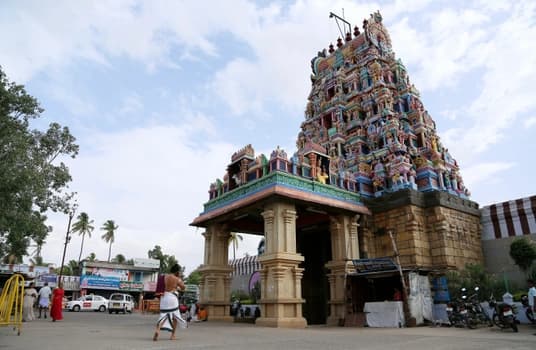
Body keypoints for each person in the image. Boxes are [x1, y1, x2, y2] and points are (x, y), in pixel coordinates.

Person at [153, 264, 186, 341]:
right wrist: (179, 284)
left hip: (164, 297)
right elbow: (183, 287)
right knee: (175, 317)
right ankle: (172, 335)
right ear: (177, 271)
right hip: (172, 298)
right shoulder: (177, 279)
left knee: (163, 315)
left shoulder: (164, 277)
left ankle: (157, 330)